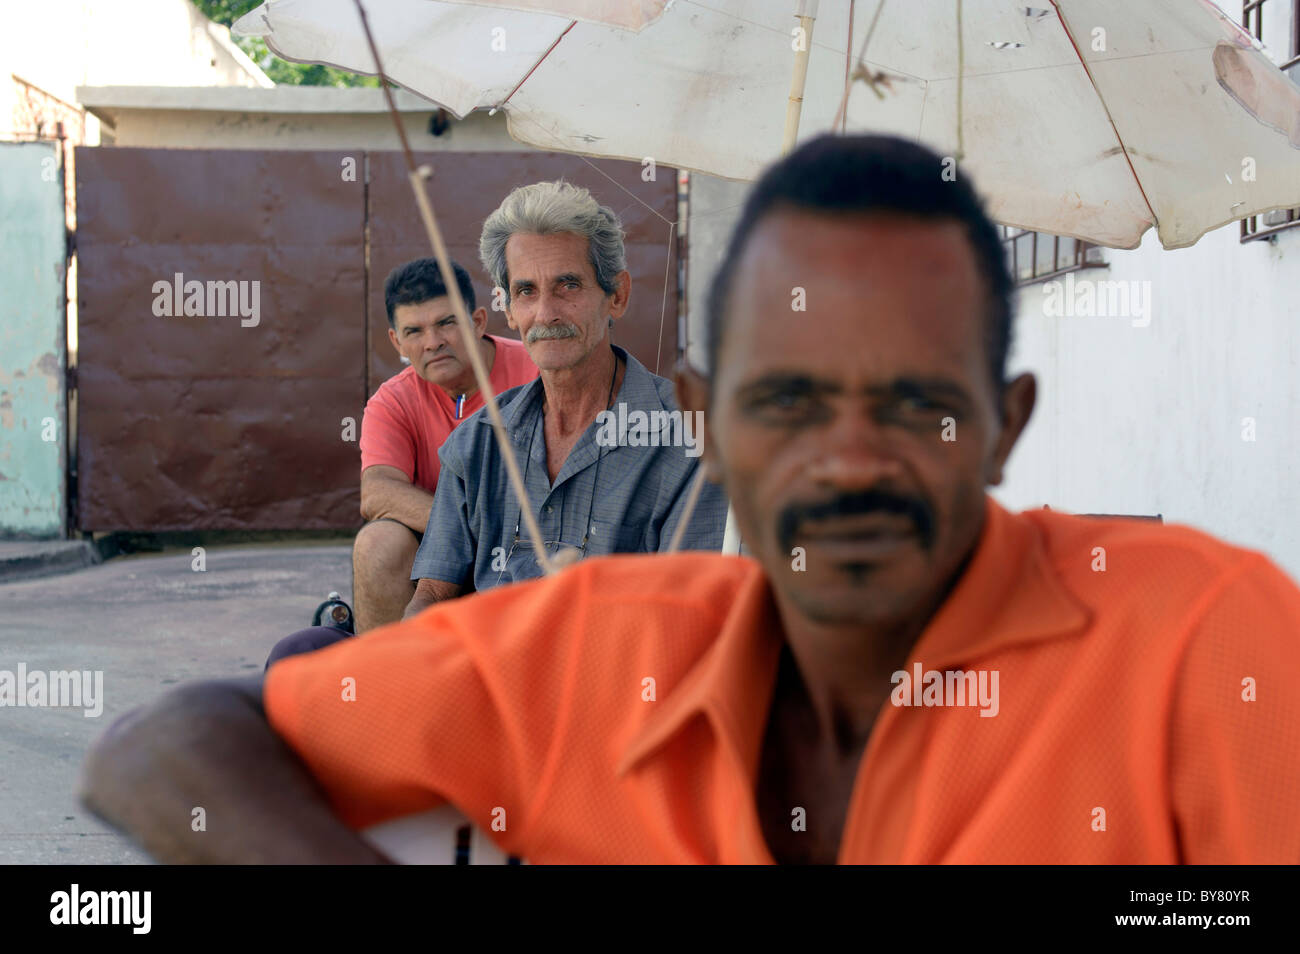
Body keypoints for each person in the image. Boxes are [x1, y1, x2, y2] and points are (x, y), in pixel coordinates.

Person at [81, 135, 1300, 864]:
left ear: (1004, 425)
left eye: (914, 398)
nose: (848, 454)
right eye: (790, 397)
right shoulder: (595, 647)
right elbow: (161, 746)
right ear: (715, 417)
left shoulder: (1200, 638)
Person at [401, 179, 727, 614]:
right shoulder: (477, 441)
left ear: (617, 296)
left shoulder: (689, 441)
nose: (546, 313)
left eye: (568, 285)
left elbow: (687, 616)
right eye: (526, 292)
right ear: (510, 310)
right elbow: (430, 598)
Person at [351, 258, 537, 632]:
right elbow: (377, 492)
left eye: (446, 323)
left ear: (478, 321)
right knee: (377, 543)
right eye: (414, 331)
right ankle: (387, 680)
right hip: (442, 556)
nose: (432, 342)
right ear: (396, 341)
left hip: (531, 546)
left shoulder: (538, 371)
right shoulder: (392, 401)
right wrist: (469, 528)